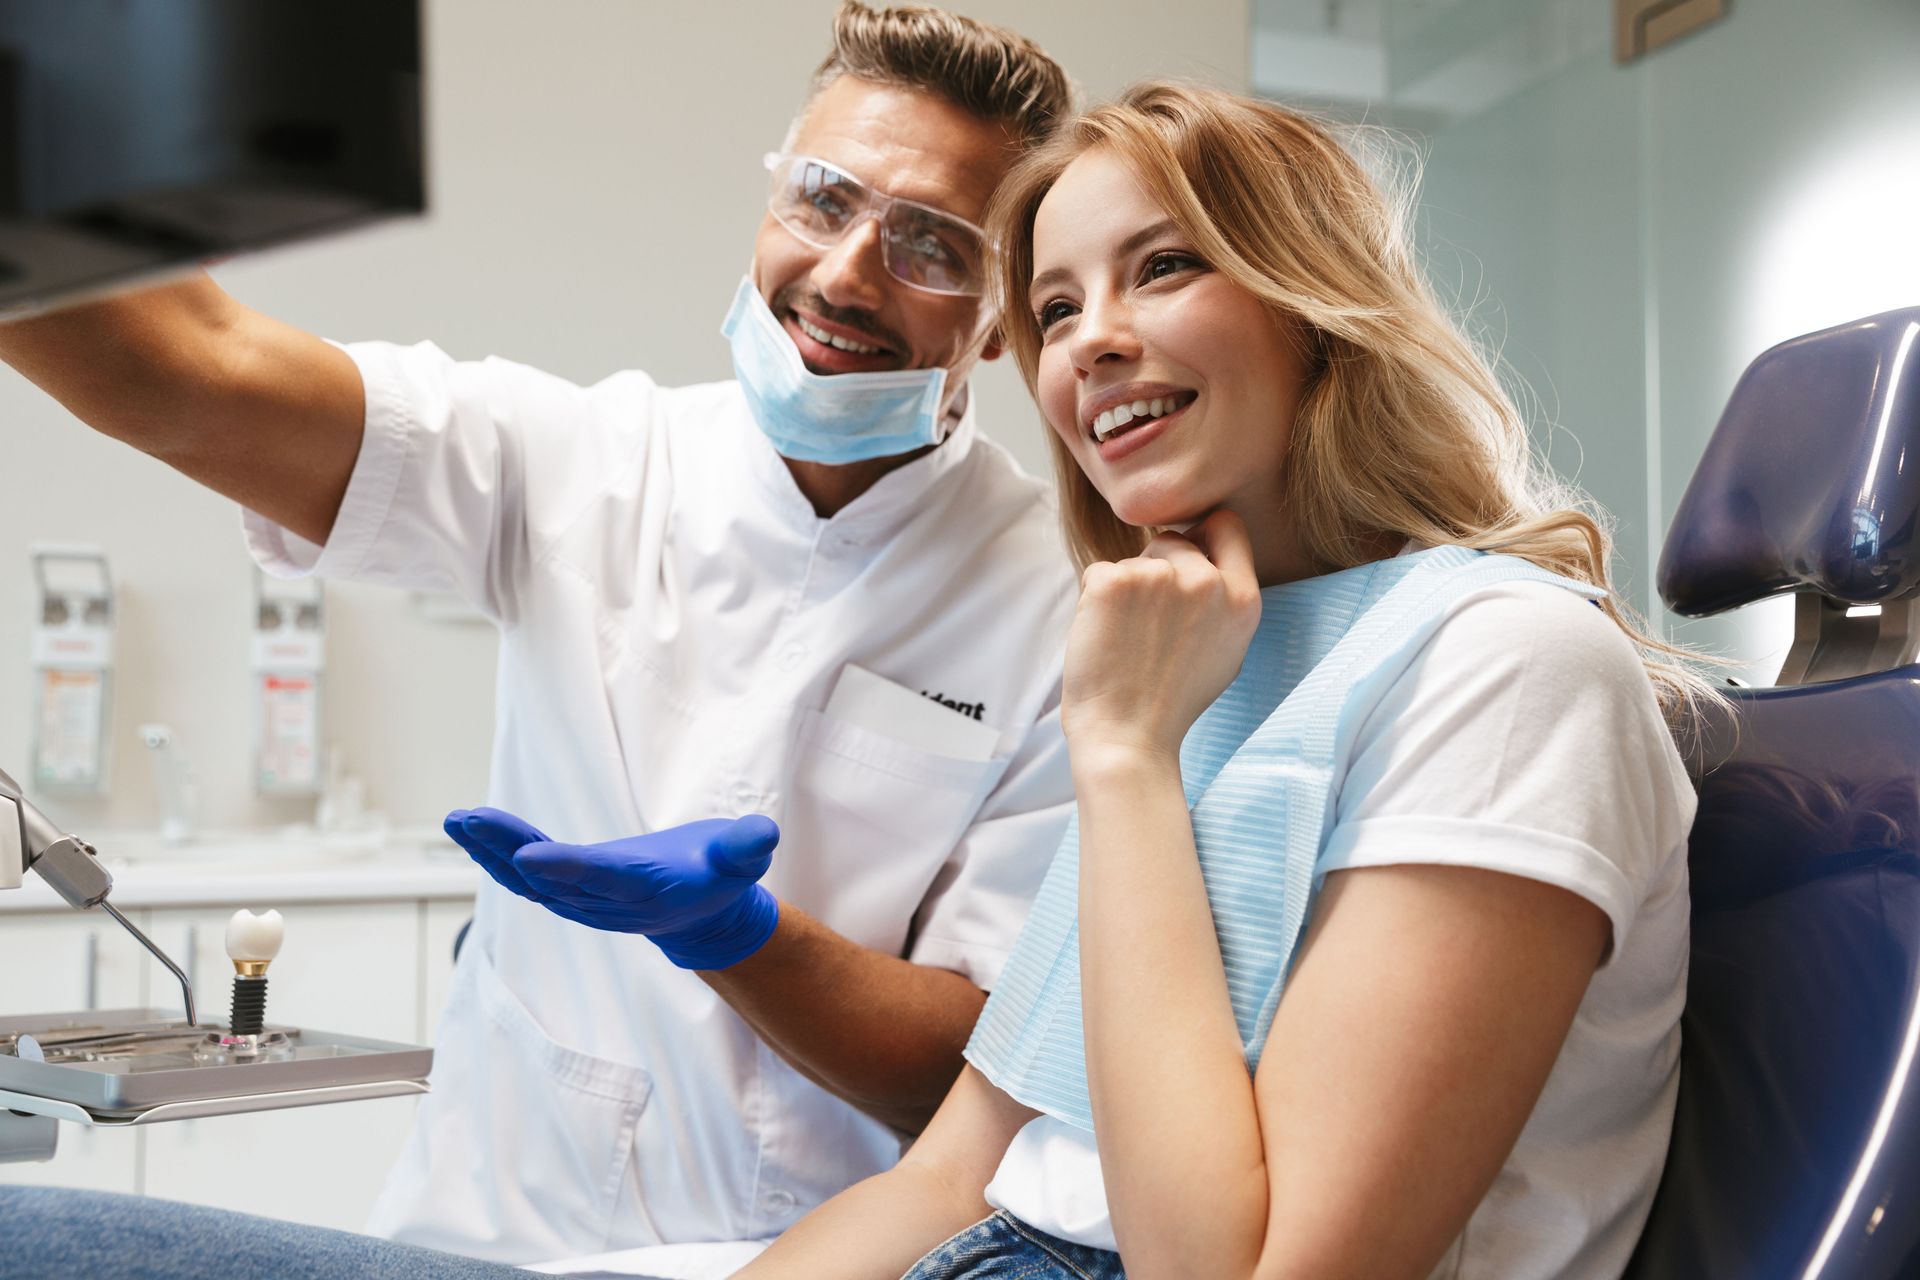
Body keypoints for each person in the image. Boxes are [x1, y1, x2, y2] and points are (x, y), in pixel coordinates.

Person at [0, 5, 1080, 1272]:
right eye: (823, 199)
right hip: (484, 1233)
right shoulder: (576, 463)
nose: (848, 271)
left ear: (1004, 318)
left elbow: (972, 1083)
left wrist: (742, 934)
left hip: (806, 1253)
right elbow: (195, 371)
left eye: (931, 245)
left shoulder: (1056, 601)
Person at [726, 82, 1715, 1280]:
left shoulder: (1506, 663)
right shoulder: (1192, 659)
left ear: (1313, 304)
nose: (1088, 337)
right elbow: (949, 1174)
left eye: (1163, 267)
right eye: (1055, 306)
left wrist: (1127, 759)